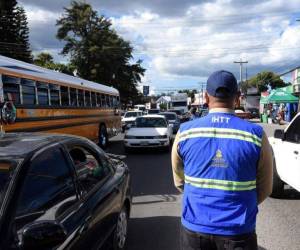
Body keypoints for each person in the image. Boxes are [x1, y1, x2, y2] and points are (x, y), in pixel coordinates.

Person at [171, 70, 273, 250]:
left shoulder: (185, 132)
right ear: (238, 97)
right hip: (238, 231)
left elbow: (179, 179)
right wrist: (241, 202)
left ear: (206, 97)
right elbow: (265, 188)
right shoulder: (256, 135)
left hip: (194, 229)